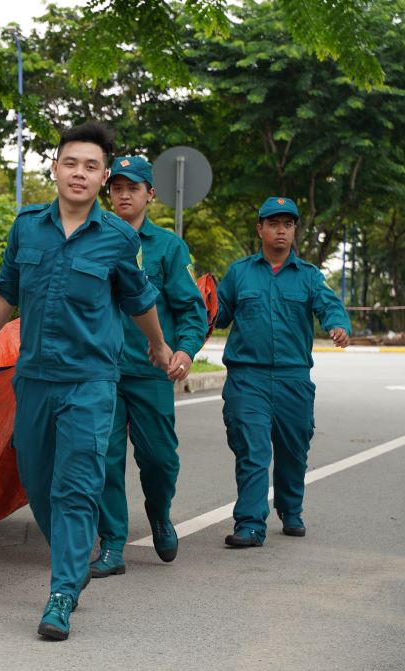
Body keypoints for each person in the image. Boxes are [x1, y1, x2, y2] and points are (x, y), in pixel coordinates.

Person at [0, 122, 172, 641]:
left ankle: (61, 592)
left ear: (103, 178)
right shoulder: (26, 228)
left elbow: (139, 299)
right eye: (71, 163)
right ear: (55, 168)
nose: (79, 173)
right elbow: (5, 291)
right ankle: (74, 557)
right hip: (33, 379)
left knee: (76, 486)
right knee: (38, 482)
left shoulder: (118, 238)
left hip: (90, 382)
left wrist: (157, 344)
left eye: (91, 166)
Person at [90, 157, 208, 578]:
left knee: (160, 459)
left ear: (150, 194)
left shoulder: (168, 247)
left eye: (133, 188)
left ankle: (159, 514)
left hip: (150, 371)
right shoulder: (93, 239)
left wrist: (186, 351)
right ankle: (113, 544)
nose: (124, 194)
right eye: (117, 187)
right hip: (100, 371)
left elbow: (191, 309)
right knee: (103, 458)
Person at [216, 196, 350, 548]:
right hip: (248, 378)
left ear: (294, 231)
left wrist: (337, 325)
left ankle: (291, 508)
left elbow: (329, 305)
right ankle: (249, 524)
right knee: (253, 449)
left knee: (293, 451)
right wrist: (198, 309)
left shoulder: (308, 276)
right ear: (260, 228)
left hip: (293, 378)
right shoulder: (239, 272)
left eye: (287, 224)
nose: (280, 230)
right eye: (273, 223)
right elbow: (217, 315)